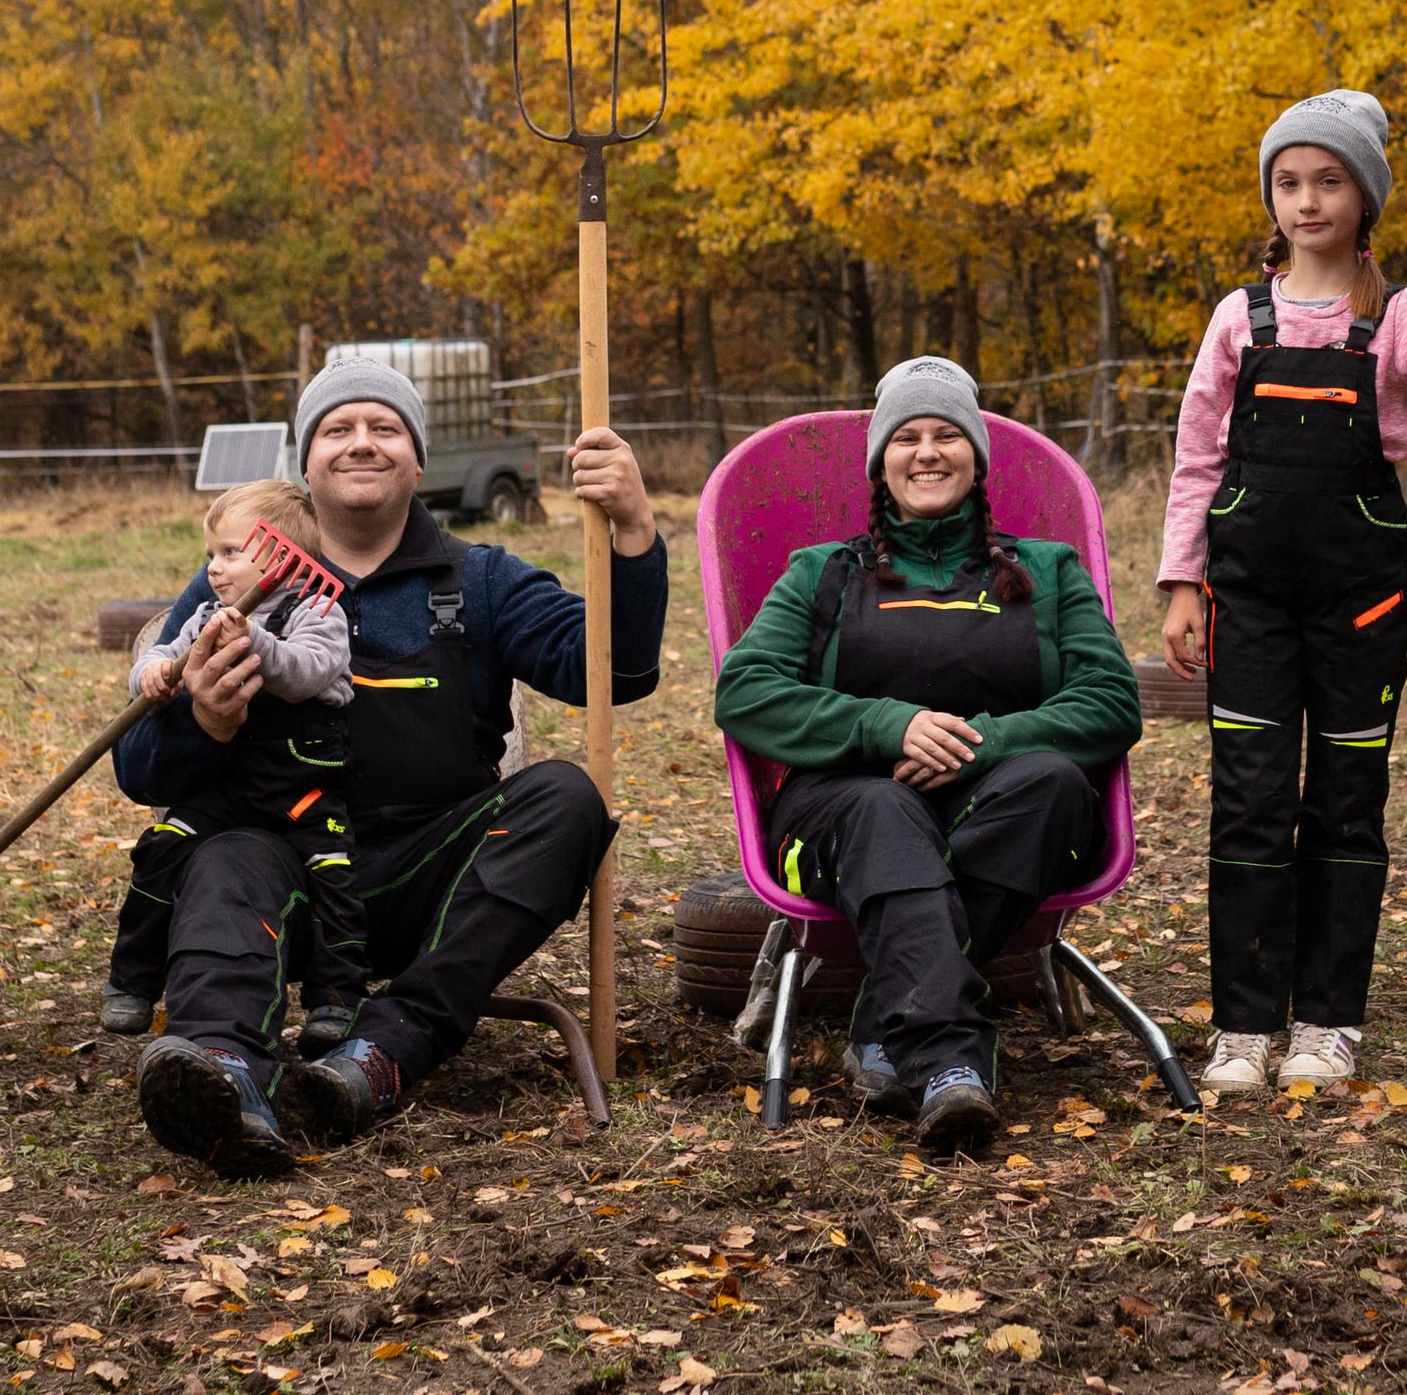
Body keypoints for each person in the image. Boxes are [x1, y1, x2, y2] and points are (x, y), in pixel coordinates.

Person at [114, 360, 667, 1176]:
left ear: (418, 460)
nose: (360, 444)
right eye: (337, 429)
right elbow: (140, 770)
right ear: (305, 463)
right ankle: (225, 1071)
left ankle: (380, 1054)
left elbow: (615, 672)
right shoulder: (236, 577)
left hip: (426, 880)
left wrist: (632, 530)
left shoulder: (479, 580)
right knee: (222, 850)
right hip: (284, 880)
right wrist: (200, 720)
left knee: (565, 796)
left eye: (385, 428)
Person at [1156, 90, 1407, 1097]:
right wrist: (1180, 585)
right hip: (1244, 605)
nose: (1305, 199)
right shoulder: (1235, 320)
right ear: (1271, 198)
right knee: (1247, 806)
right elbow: (1196, 461)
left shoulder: (1399, 319)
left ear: (1363, 197)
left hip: (1360, 611)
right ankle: (1244, 1028)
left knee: (1345, 807)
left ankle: (1325, 1024)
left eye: (1327, 180)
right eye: (1288, 182)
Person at [709, 357, 1142, 1158]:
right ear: (880, 462)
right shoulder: (824, 574)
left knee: (1052, 782)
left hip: (1006, 807)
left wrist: (975, 744)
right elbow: (746, 691)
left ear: (977, 456)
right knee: (885, 807)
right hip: (842, 817)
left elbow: (1112, 700)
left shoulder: (1046, 570)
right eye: (906, 437)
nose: (928, 451)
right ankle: (948, 1059)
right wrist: (887, 727)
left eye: (948, 434)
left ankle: (890, 1019)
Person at [96, 477, 362, 1048]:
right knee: (162, 849)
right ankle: (132, 981)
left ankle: (334, 999)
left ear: (284, 558)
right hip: (228, 790)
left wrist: (255, 642)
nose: (214, 569)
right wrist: (154, 672)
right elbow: (168, 649)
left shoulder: (319, 608)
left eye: (230, 553)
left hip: (304, 791)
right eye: (210, 554)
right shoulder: (207, 615)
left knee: (335, 877)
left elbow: (310, 670)